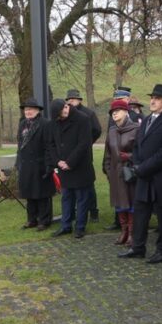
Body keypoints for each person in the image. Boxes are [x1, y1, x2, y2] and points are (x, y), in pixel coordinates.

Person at [120, 84, 162, 262]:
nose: (153, 101)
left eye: (158, 98)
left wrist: (142, 168)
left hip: (161, 176)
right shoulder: (146, 119)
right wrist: (137, 163)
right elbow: (138, 144)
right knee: (140, 212)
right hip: (144, 176)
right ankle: (138, 247)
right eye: (152, 97)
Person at [46, 98, 95, 238]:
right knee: (66, 197)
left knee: (82, 198)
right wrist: (58, 162)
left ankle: (80, 227)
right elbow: (51, 144)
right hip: (63, 167)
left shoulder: (83, 119)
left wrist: (69, 162)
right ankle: (65, 225)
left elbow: (84, 144)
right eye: (61, 111)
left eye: (65, 107)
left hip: (80, 166)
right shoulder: (53, 123)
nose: (65, 111)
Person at [102, 98, 139, 245]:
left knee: (130, 203)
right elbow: (107, 154)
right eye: (112, 112)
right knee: (119, 203)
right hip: (115, 174)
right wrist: (108, 170)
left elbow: (141, 152)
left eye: (117, 111)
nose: (114, 114)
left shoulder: (136, 129)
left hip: (130, 173)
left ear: (126, 112)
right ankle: (123, 231)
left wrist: (129, 156)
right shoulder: (111, 131)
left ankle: (132, 233)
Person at [15, 98, 55, 230]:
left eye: (31, 109)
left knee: (42, 194)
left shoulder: (45, 124)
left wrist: (49, 165)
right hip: (25, 164)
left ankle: (44, 221)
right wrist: (18, 162)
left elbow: (49, 146)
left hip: (40, 164)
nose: (28, 111)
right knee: (29, 194)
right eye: (26, 109)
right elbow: (20, 145)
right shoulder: (22, 124)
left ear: (37, 110)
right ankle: (31, 219)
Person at [66, 89, 103, 224]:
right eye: (69, 99)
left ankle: (93, 211)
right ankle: (75, 212)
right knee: (71, 186)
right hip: (70, 155)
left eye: (74, 99)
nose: (71, 101)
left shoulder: (88, 113)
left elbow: (97, 130)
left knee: (88, 184)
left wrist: (87, 142)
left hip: (85, 155)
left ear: (80, 100)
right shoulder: (66, 114)